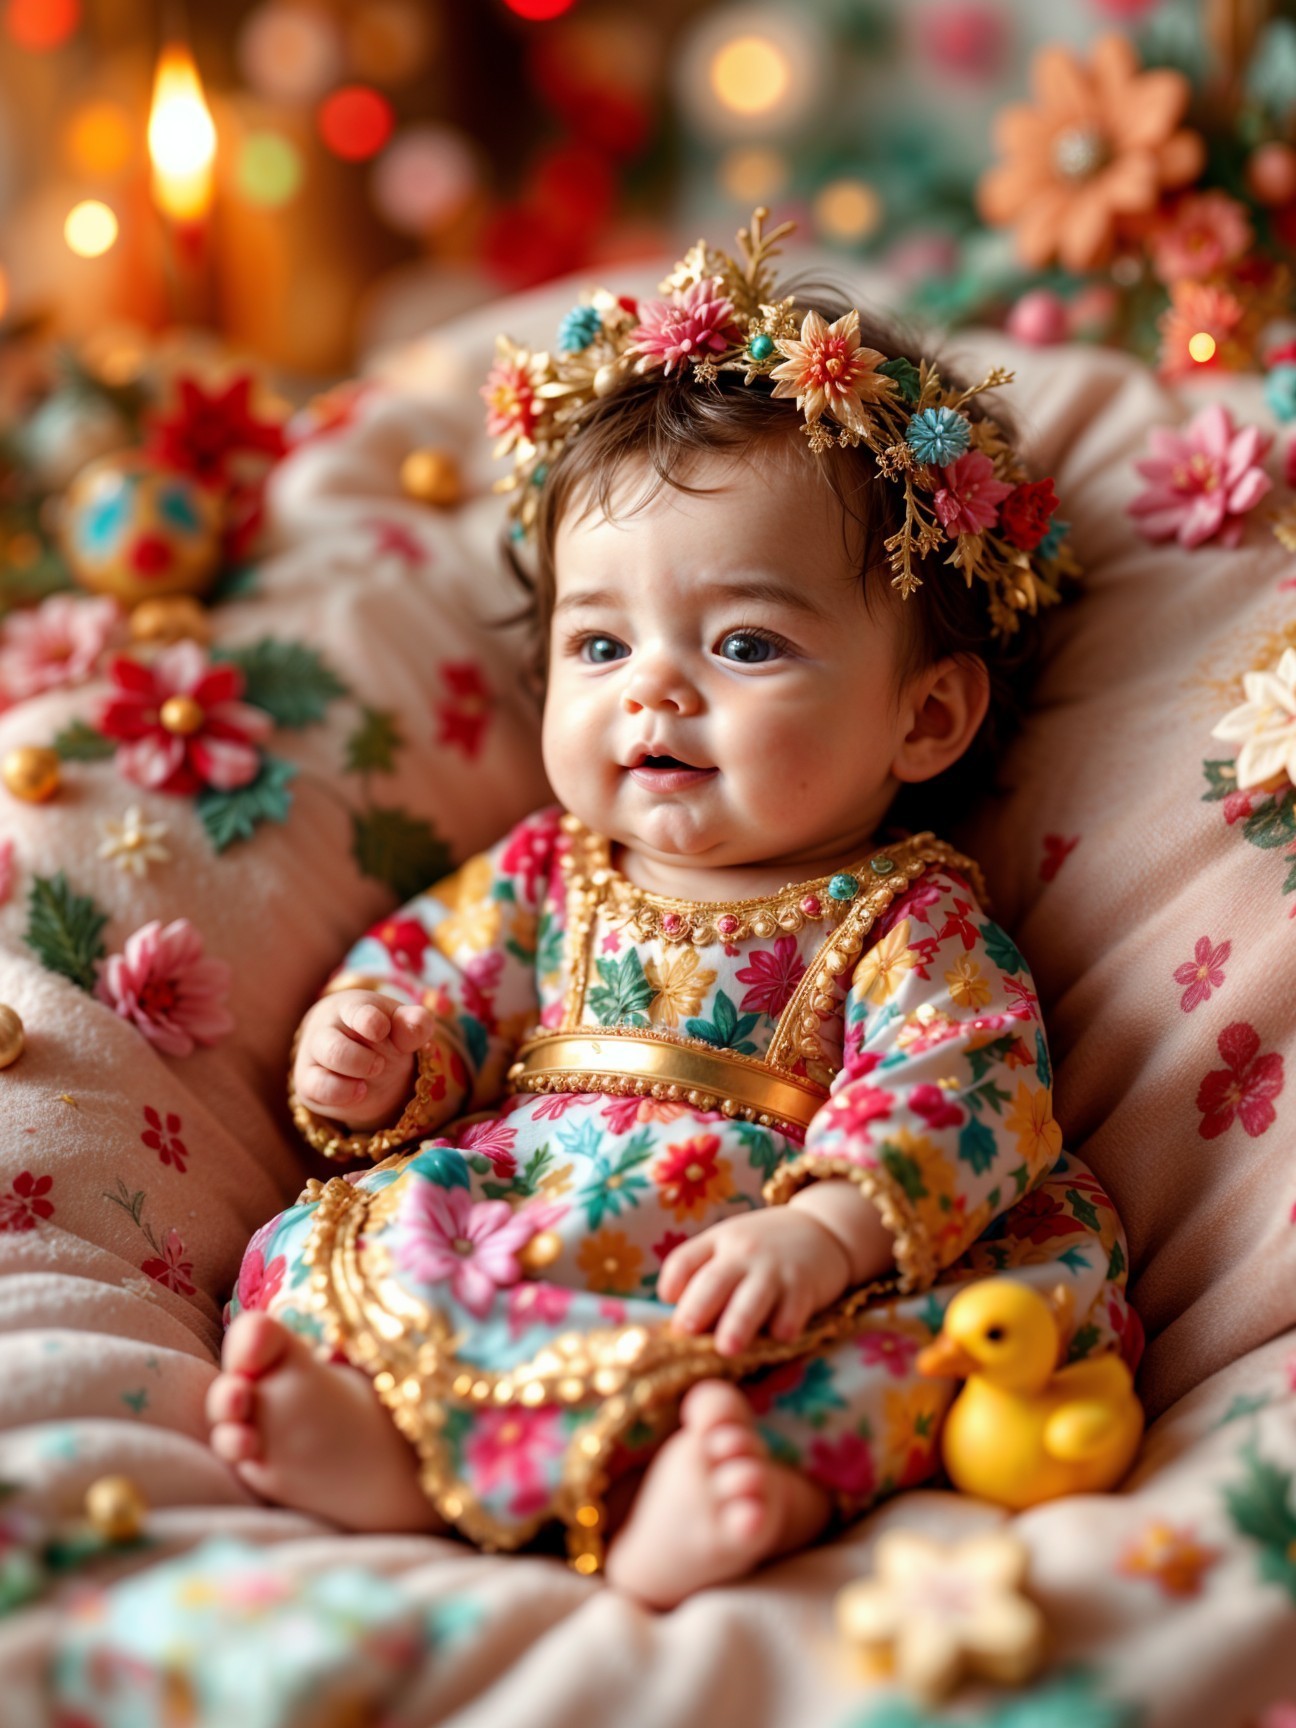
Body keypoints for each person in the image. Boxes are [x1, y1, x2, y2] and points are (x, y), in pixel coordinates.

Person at [206, 211, 1135, 1609]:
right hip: (541, 1209)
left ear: (926, 717)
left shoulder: (902, 918)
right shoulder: (548, 864)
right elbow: (432, 979)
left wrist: (824, 1235)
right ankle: (402, 1462)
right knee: (350, 1253)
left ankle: (686, 1501)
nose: (653, 689)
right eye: (598, 642)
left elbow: (973, 1085)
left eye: (745, 642)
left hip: (758, 1249)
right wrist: (380, 1051)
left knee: (886, 1365)